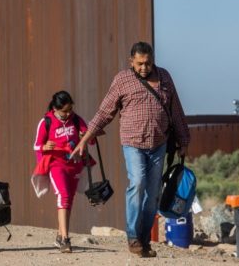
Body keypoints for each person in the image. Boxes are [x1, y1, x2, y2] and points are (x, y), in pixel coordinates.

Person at [71, 42, 190, 257]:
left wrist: (183, 141)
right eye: (140, 64)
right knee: (137, 183)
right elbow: (105, 111)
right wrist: (85, 138)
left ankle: (144, 240)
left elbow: (176, 110)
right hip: (133, 143)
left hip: (158, 144)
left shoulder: (164, 77)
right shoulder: (122, 80)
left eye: (148, 63)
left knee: (153, 194)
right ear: (131, 62)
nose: (144, 68)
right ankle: (133, 237)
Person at [31, 91, 92, 253]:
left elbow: (91, 139)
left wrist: (85, 136)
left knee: (69, 199)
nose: (68, 113)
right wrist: (45, 147)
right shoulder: (46, 122)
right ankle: (65, 239)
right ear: (55, 108)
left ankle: (60, 235)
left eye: (70, 109)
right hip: (56, 164)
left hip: (74, 164)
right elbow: (36, 145)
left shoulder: (77, 120)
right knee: (63, 195)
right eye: (64, 111)